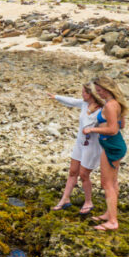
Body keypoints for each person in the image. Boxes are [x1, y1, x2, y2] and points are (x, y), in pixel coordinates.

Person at [83, 76, 129, 231]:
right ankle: (109, 214)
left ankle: (113, 222)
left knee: (107, 183)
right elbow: (121, 124)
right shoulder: (115, 104)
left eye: (101, 91)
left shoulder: (110, 105)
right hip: (112, 145)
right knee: (112, 182)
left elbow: (113, 130)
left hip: (112, 146)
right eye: (98, 91)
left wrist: (92, 129)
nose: (99, 94)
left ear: (108, 89)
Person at [48, 83, 103, 214]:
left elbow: (110, 127)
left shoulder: (102, 109)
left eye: (84, 92)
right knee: (73, 172)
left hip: (92, 146)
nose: (81, 94)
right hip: (79, 143)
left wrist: (93, 129)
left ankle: (88, 201)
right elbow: (71, 102)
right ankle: (65, 199)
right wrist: (56, 97)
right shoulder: (84, 104)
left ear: (91, 94)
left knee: (84, 175)